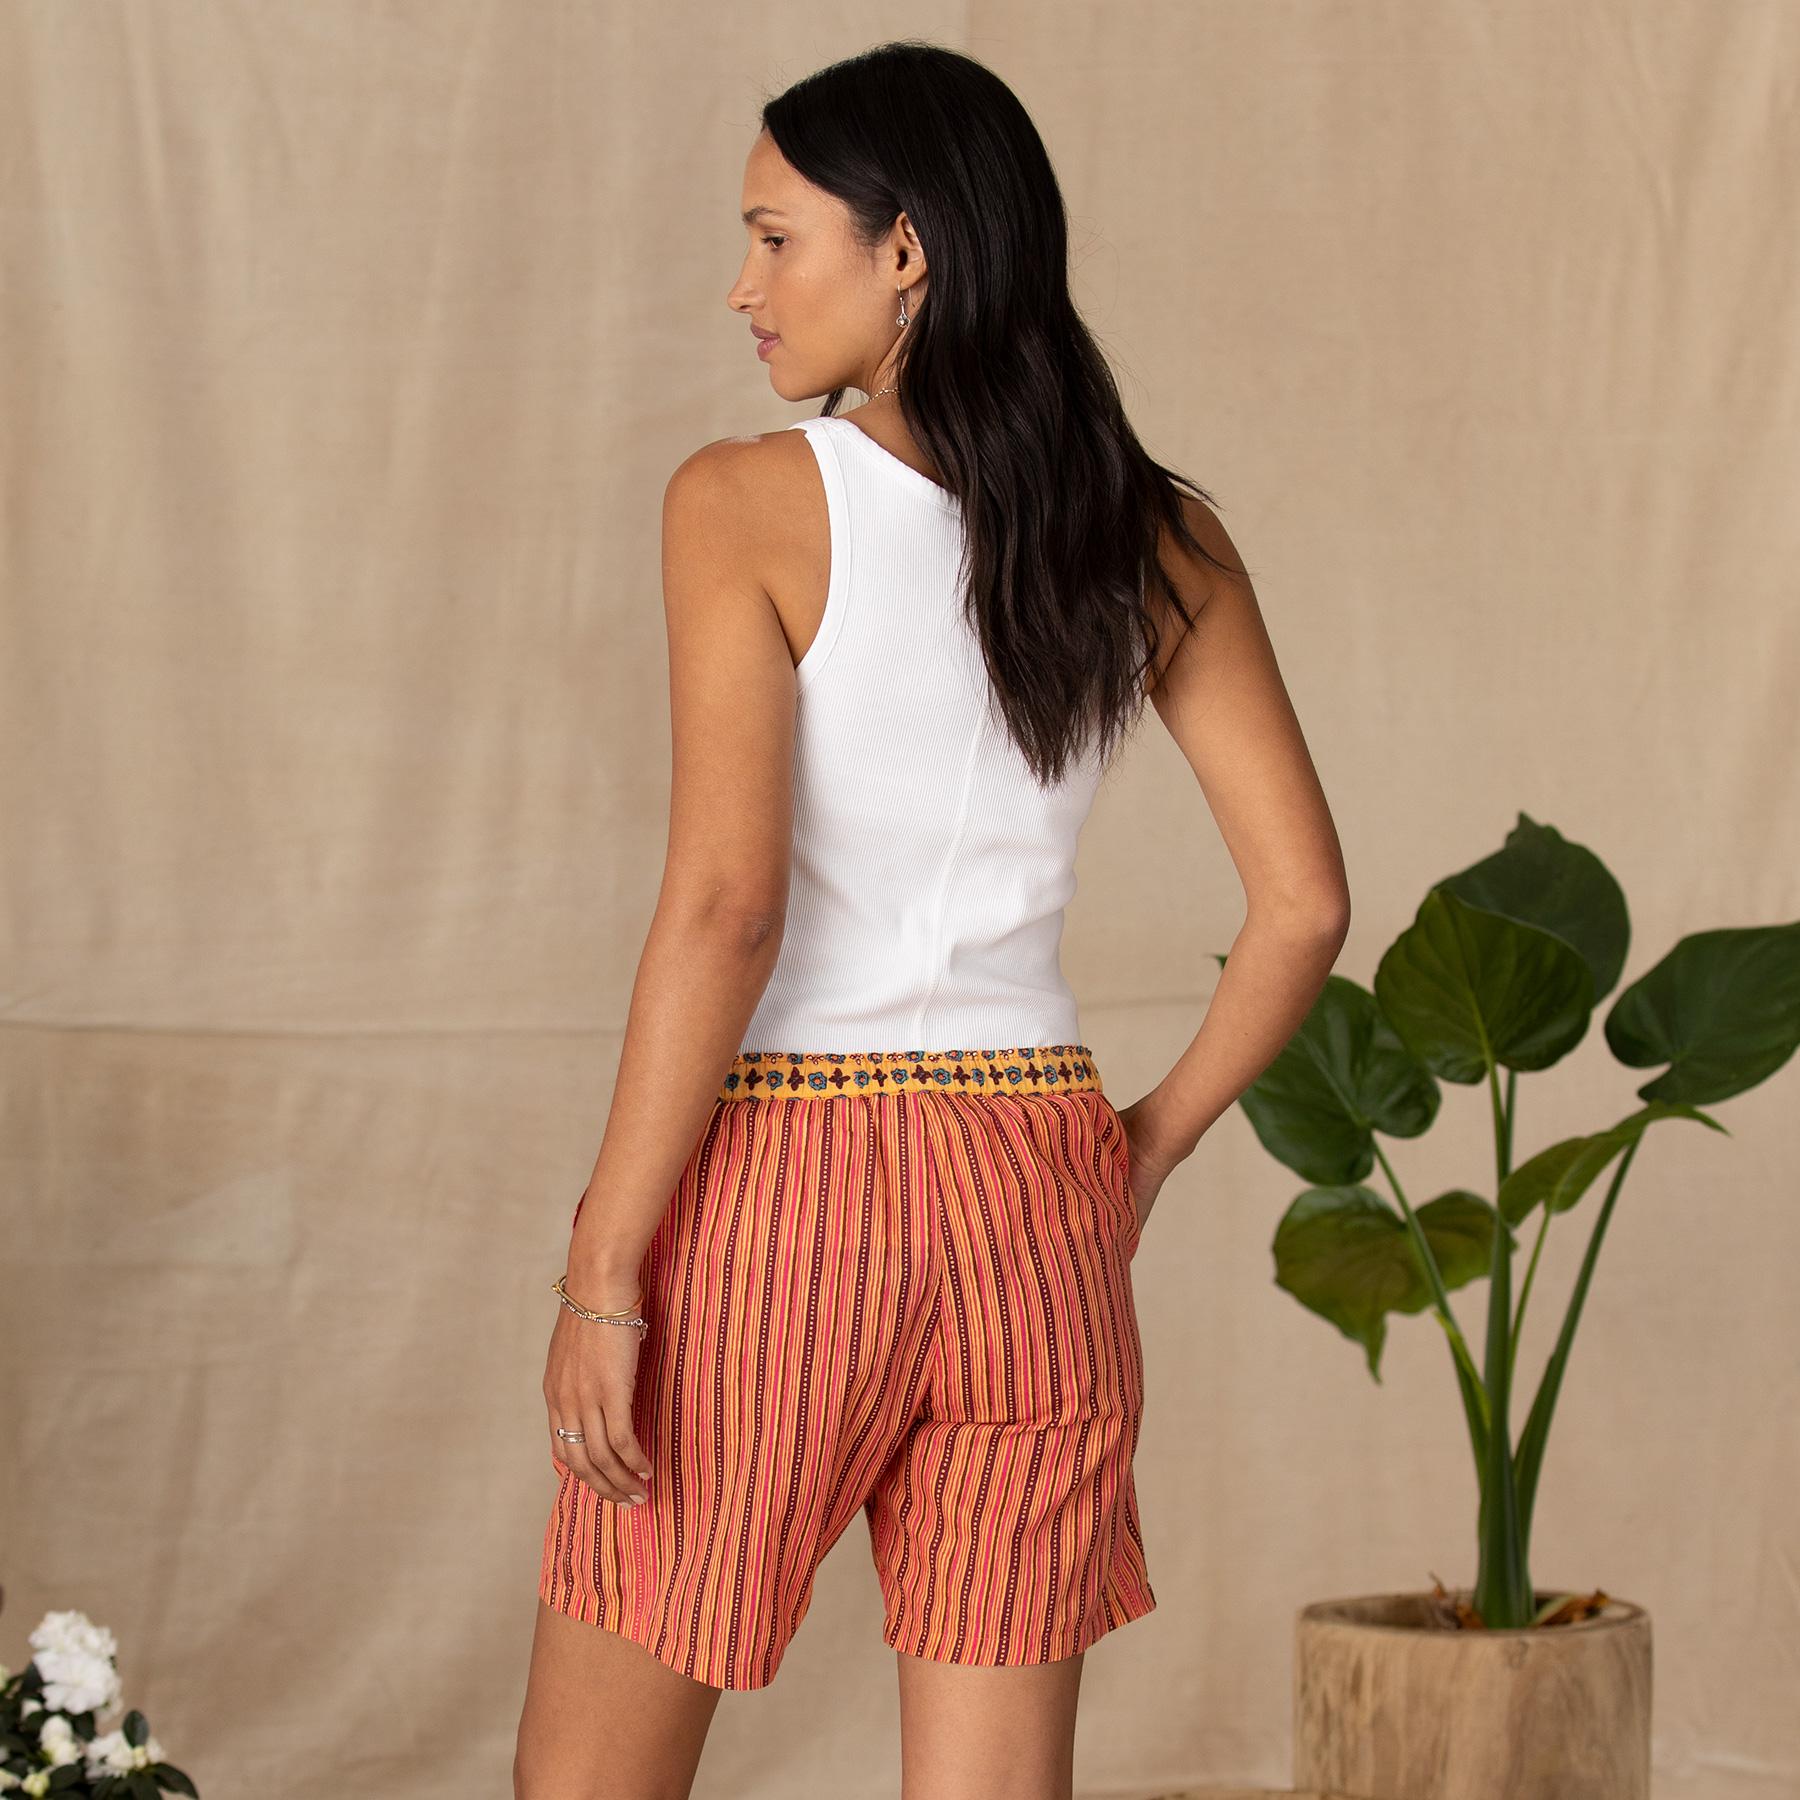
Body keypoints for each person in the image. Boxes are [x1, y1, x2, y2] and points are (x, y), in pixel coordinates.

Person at [513, 39, 1349, 1800]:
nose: (742, 287)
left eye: (776, 238)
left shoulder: (744, 502)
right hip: (1037, 1193)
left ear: (908, 250)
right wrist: (1139, 1153)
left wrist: (605, 1267)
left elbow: (729, 908)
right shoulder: (1155, 536)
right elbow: (1304, 906)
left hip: (786, 1192)